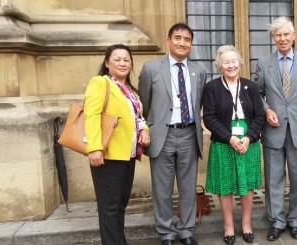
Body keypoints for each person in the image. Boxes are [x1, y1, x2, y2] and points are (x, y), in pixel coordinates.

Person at [138, 23, 206, 245]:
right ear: (168, 40)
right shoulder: (151, 69)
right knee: (162, 189)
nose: (182, 43)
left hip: (188, 134)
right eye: (178, 38)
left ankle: (187, 232)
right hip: (163, 136)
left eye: (187, 39)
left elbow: (200, 104)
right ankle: (166, 233)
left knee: (188, 188)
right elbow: (145, 105)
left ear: (191, 44)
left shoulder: (200, 71)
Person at [252, 16, 297, 241]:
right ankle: (277, 220)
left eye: (286, 34)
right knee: (274, 179)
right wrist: (266, 109)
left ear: (294, 35)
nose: (282, 38)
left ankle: (296, 220)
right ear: (273, 38)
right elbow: (257, 94)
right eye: (278, 35)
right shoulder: (263, 63)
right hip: (273, 128)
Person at [85, 44, 150, 245]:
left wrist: (145, 130)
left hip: (127, 155)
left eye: (126, 60)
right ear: (107, 63)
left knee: (120, 205)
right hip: (108, 155)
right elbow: (92, 115)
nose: (123, 63)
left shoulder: (130, 90)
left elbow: (138, 117)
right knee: (109, 208)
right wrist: (94, 148)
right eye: (117, 59)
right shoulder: (100, 83)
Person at [202, 45, 265, 245]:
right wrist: (229, 138)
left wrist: (249, 137)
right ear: (220, 66)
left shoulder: (251, 87)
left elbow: (260, 115)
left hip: (249, 143)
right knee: (225, 186)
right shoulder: (212, 87)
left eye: (234, 61)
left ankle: (246, 224)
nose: (231, 65)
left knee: (247, 187)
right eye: (226, 62)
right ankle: (228, 226)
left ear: (240, 63)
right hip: (223, 144)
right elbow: (209, 118)